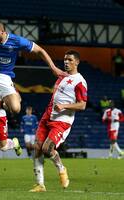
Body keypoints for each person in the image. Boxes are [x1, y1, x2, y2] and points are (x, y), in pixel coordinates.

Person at [30, 50, 87, 192]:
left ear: (77, 62)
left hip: (62, 121)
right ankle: (40, 184)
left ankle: (62, 169)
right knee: (37, 148)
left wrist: (64, 106)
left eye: (70, 60)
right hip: (47, 116)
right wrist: (41, 52)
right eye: (65, 60)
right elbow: (52, 67)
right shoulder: (62, 75)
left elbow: (82, 105)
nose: (66, 62)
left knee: (47, 149)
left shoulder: (80, 82)